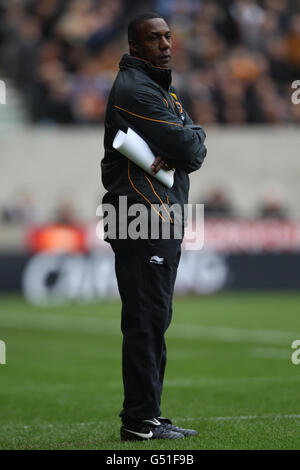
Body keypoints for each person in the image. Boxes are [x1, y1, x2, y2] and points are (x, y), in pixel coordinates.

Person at [101, 12, 207, 441]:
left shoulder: (159, 88)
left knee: (154, 317)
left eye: (168, 36)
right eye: (154, 38)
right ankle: (139, 421)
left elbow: (191, 146)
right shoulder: (135, 90)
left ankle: (149, 414)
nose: (165, 43)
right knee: (146, 318)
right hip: (140, 215)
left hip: (159, 214)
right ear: (134, 46)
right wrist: (187, 139)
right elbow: (190, 146)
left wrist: (187, 139)